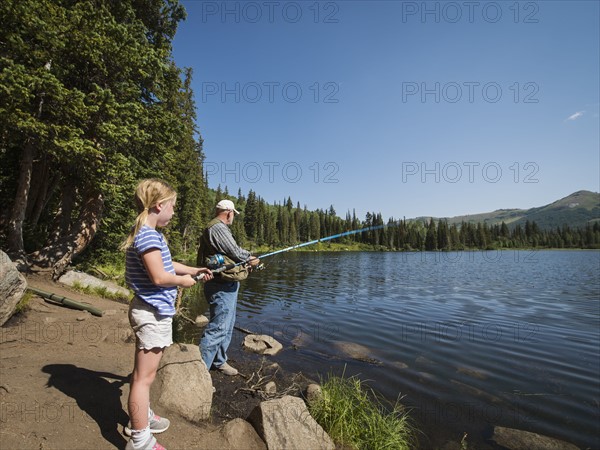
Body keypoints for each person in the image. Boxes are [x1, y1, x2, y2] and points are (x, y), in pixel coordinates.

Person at [122, 179, 213, 450]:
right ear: (159, 205)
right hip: (150, 313)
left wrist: (193, 270)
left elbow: (167, 264)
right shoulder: (148, 236)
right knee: (143, 378)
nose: (174, 211)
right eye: (172, 206)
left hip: (152, 311)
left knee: (143, 375)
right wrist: (183, 282)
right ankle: (139, 439)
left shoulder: (149, 233)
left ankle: (143, 417)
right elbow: (160, 276)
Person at [197, 199, 260, 376]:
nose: (233, 218)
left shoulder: (218, 228)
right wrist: (251, 258)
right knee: (218, 327)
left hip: (227, 282)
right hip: (219, 284)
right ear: (229, 213)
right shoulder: (217, 228)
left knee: (228, 324)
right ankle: (199, 374)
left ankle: (219, 361)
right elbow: (234, 251)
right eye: (233, 215)